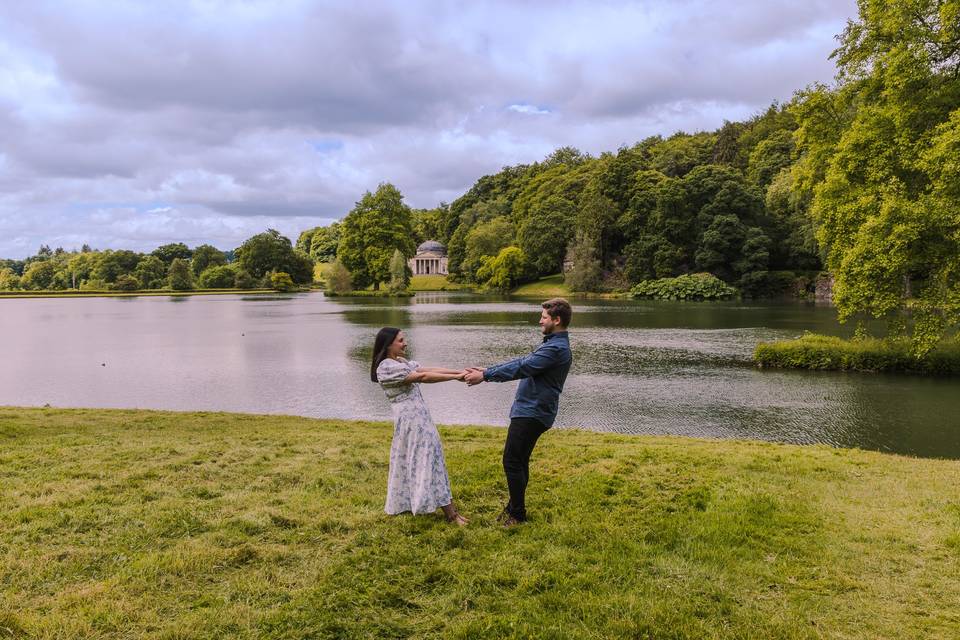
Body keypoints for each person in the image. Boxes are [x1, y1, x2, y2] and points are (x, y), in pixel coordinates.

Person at [464, 298, 573, 527]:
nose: (540, 321)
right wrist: (489, 370)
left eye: (544, 317)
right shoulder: (553, 344)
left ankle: (517, 514)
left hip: (532, 412)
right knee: (519, 460)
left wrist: (485, 376)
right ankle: (515, 507)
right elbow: (525, 362)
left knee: (512, 460)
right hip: (532, 410)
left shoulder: (555, 348)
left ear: (557, 320)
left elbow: (523, 367)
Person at [371, 327, 469, 526]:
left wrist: (460, 371)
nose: (405, 343)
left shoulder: (401, 362)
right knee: (429, 460)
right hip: (412, 422)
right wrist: (456, 377)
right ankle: (451, 515)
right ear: (388, 344)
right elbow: (422, 377)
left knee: (420, 460)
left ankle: (409, 503)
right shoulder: (386, 367)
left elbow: (426, 370)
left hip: (419, 418)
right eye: (400, 340)